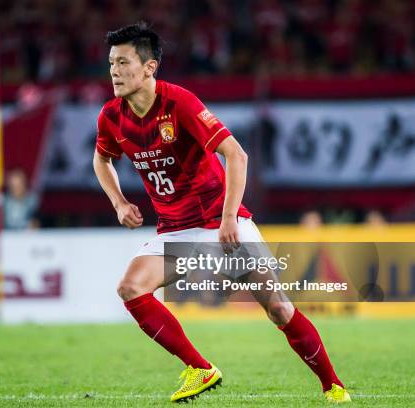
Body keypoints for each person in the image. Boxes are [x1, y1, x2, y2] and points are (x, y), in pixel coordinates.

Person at [93, 22, 350, 403]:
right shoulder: (112, 116)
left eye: (124, 61)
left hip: (220, 221)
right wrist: (118, 201)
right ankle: (200, 368)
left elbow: (236, 154)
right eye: (112, 62)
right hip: (175, 230)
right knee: (130, 288)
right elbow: (101, 159)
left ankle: (333, 386)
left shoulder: (179, 103)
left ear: (149, 68)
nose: (114, 70)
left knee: (278, 309)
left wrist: (230, 217)